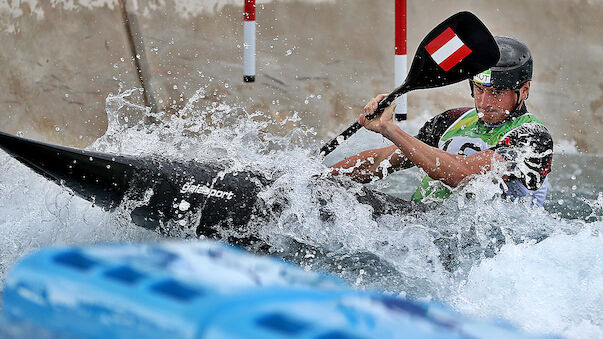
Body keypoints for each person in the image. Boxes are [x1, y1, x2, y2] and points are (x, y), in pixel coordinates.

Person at [330, 36, 553, 206]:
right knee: (330, 194)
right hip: (418, 226)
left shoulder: (533, 139)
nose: (484, 102)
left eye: (496, 92)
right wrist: (319, 178)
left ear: (524, 90)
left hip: (478, 246)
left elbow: (463, 175)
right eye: (479, 89)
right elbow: (381, 161)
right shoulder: (451, 120)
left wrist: (391, 130)